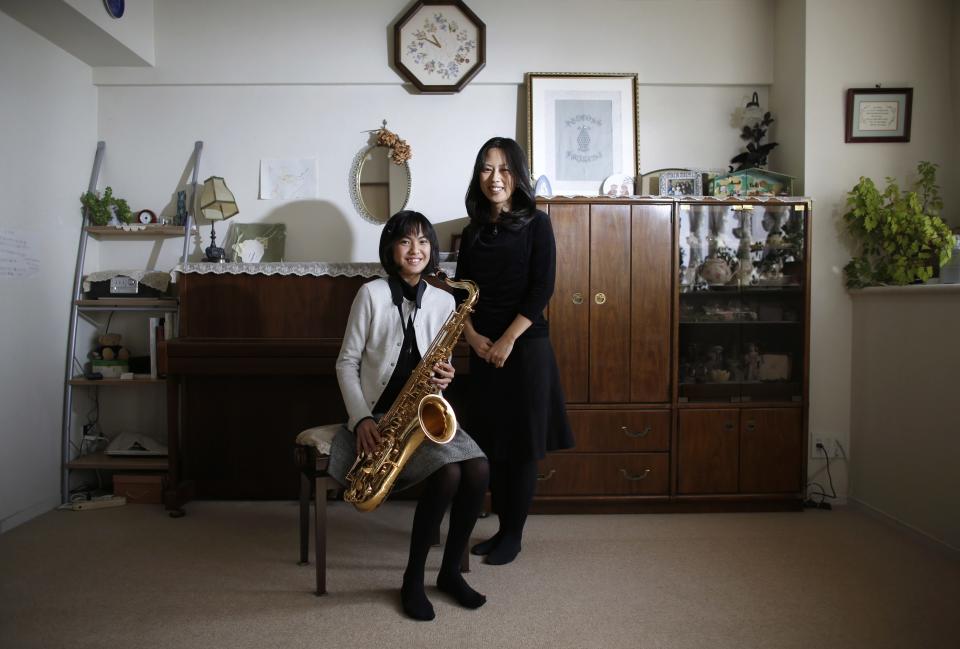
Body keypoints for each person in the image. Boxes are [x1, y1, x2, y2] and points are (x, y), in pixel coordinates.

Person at [327, 210, 489, 621]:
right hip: (382, 415)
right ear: (391, 249)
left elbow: (441, 368)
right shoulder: (370, 294)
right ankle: (413, 579)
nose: (415, 250)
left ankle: (450, 573)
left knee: (480, 469)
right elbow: (346, 363)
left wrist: (446, 375)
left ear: (432, 249)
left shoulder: (445, 299)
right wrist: (362, 418)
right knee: (449, 473)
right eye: (405, 241)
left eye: (423, 241)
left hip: (426, 409)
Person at [455, 137, 575, 566]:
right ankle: (501, 526)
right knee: (491, 443)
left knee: (521, 446)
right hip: (484, 348)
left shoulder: (536, 223)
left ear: (517, 175)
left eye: (504, 169)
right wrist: (471, 337)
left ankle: (512, 534)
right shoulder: (471, 231)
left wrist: (507, 340)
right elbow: (462, 294)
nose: (495, 178)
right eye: (487, 169)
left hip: (524, 349)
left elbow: (543, 288)